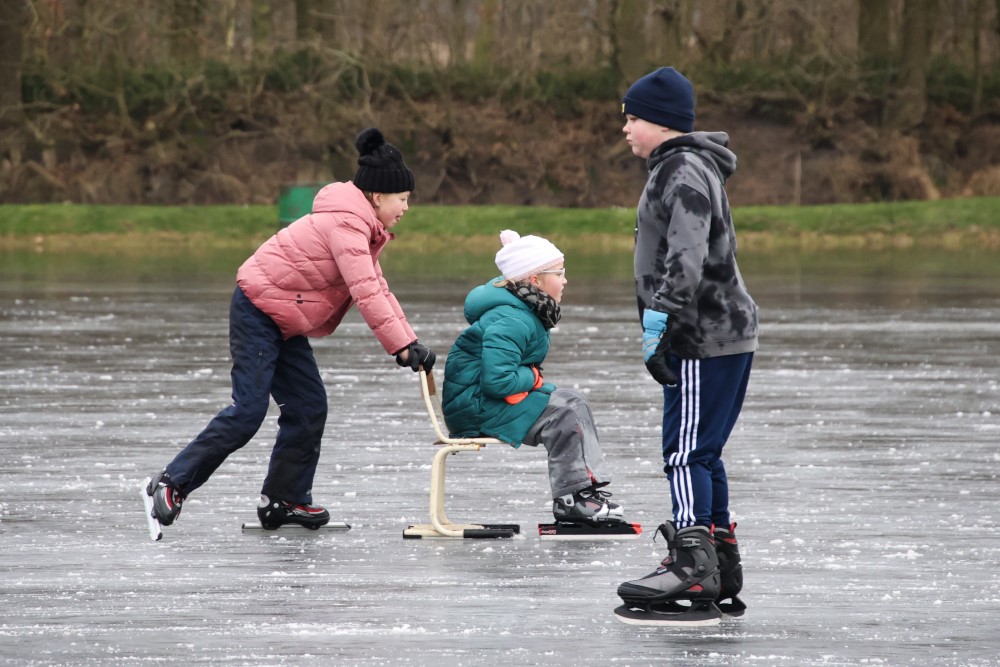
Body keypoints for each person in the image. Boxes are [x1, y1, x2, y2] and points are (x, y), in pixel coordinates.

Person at [144, 128, 436, 532]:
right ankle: (171, 481)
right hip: (258, 311)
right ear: (377, 196)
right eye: (403, 199)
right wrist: (401, 346)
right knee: (248, 412)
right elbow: (365, 289)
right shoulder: (347, 226)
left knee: (308, 407)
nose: (406, 207)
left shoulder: (360, 228)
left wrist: (411, 341)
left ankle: (284, 499)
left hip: (284, 318)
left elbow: (377, 285)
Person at [613, 67, 758, 625]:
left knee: (684, 450)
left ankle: (692, 566)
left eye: (632, 117)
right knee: (704, 451)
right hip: (720, 331)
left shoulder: (681, 169)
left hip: (703, 333)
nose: (625, 127)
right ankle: (718, 559)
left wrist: (661, 322)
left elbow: (687, 253)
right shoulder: (684, 167)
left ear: (662, 122)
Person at [441, 230, 633, 530]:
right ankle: (572, 500)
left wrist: (533, 380)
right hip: (476, 407)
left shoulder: (523, 310)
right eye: (559, 273)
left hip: (482, 400)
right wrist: (532, 376)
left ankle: (584, 489)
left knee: (572, 401)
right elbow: (498, 380)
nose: (565, 280)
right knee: (564, 413)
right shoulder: (513, 319)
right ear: (535, 281)